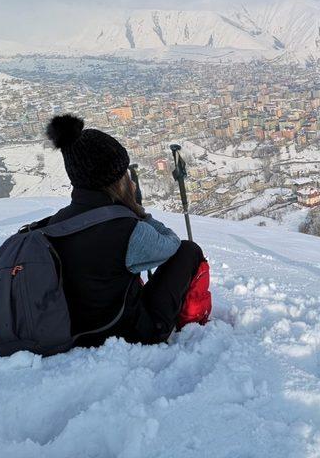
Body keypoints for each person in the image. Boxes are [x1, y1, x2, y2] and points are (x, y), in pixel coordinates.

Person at [45, 114, 210, 348]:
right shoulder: (125, 229)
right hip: (128, 333)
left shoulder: (55, 223)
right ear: (115, 179)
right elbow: (170, 244)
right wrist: (139, 213)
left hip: (73, 328)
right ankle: (193, 321)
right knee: (188, 251)